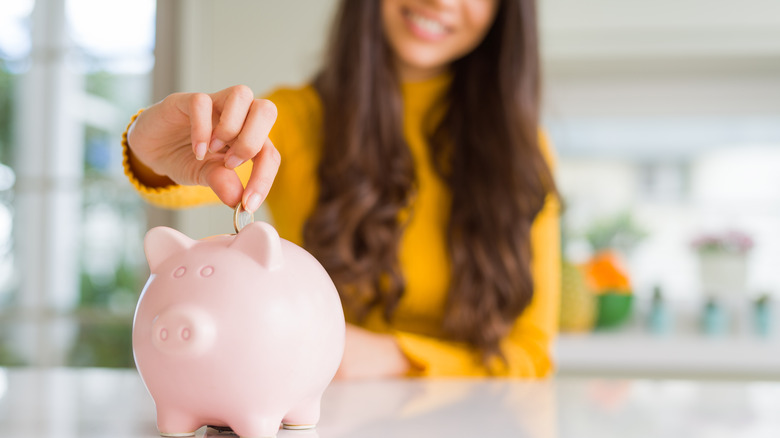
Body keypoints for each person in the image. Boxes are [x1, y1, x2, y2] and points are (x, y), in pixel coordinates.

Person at [122, 0, 560, 379]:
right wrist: (152, 149)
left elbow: (532, 353)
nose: (441, 1)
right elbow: (192, 174)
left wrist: (396, 356)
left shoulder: (523, 152)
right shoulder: (294, 119)